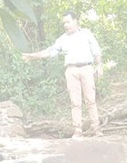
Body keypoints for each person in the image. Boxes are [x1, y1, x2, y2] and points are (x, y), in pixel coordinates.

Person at [22, 10, 103, 139]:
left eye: (68, 22)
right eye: (64, 23)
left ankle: (96, 128)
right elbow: (50, 52)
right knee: (75, 102)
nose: (66, 25)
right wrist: (32, 56)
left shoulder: (86, 34)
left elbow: (96, 50)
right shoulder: (62, 39)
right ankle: (78, 131)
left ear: (75, 21)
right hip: (71, 71)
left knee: (90, 100)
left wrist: (99, 65)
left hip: (87, 68)